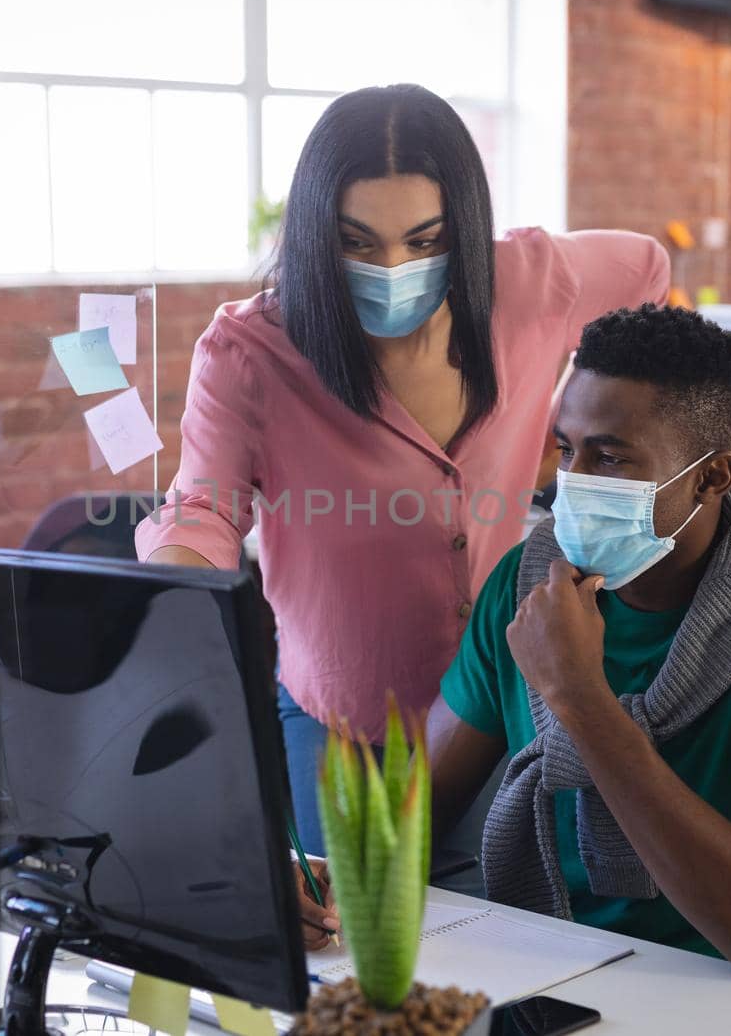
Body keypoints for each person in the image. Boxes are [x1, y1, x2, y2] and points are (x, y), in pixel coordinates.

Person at [135, 84, 669, 855]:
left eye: (425, 241)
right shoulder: (252, 351)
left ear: (465, 229)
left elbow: (647, 269)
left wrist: (575, 430)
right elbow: (204, 507)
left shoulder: (529, 283)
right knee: (355, 958)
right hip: (345, 729)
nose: (392, 267)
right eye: (358, 242)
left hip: (506, 712)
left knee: (517, 943)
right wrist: (178, 592)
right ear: (318, 235)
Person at [413, 304, 731, 980]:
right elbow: (409, 806)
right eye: (567, 448)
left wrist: (582, 698)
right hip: (545, 960)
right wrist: (315, 879)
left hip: (728, 995)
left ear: (712, 476)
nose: (571, 484)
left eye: (610, 456)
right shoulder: (530, 582)